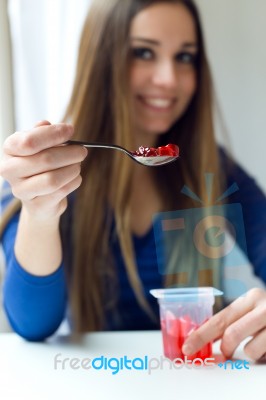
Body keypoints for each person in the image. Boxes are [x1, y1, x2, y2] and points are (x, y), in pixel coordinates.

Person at [1, 0, 266, 360]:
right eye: (143, 52)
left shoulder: (214, 170)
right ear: (101, 61)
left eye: (185, 57)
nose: (168, 79)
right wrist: (40, 213)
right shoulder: (46, 175)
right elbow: (33, 325)